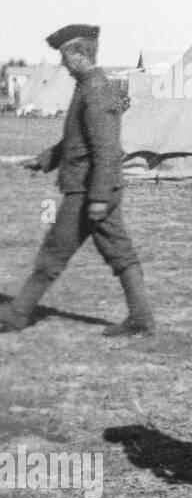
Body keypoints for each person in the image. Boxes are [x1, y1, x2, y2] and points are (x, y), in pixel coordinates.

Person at [1, 24, 154, 337]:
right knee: (119, 254)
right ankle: (141, 318)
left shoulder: (95, 89)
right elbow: (77, 140)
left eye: (64, 55)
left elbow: (107, 149)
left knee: (54, 253)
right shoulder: (89, 86)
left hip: (88, 191)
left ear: (80, 54)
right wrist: (45, 159)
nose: (62, 63)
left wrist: (98, 196)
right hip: (92, 189)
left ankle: (16, 314)